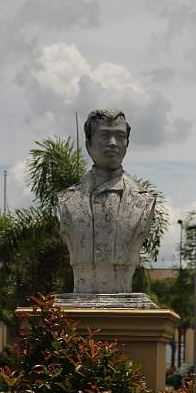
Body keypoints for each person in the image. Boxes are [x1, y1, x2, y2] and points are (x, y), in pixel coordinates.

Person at [57, 109, 155, 294]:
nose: (113, 143)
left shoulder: (142, 202)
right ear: (89, 144)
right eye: (104, 135)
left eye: (120, 136)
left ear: (127, 144)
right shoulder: (68, 201)